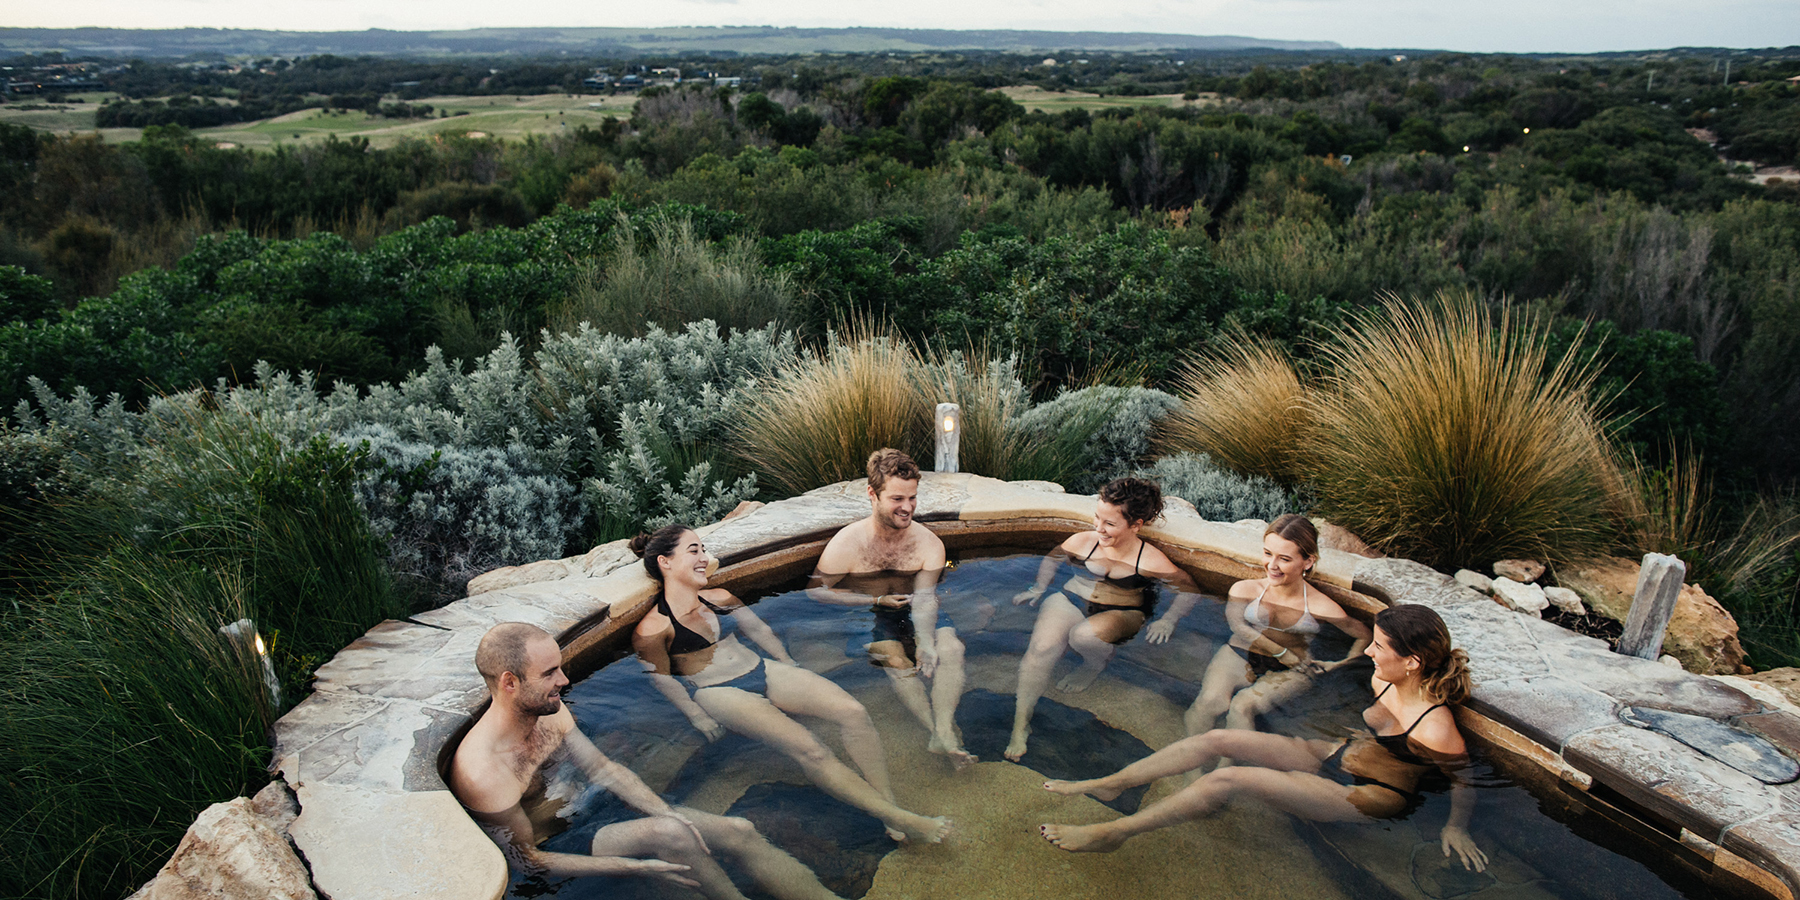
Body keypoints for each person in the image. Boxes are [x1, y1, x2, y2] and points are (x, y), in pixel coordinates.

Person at [1038, 604, 1487, 874]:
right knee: (1215, 740)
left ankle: (1115, 833)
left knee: (1226, 782)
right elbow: (1360, 706)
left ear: (1411, 662)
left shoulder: (1434, 726)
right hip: (1341, 754)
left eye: (1380, 646)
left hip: (1370, 794)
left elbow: (1462, 778)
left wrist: (1456, 825)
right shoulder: (1382, 681)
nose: (1369, 650)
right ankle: (1116, 781)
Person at [448, 622, 847, 900]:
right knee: (671, 836)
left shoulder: (549, 713)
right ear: (509, 682)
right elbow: (530, 861)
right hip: (558, 840)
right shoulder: (483, 771)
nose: (565, 681)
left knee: (737, 830)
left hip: (591, 809)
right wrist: (634, 867)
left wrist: (665, 811)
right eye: (550, 672)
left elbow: (605, 770)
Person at [631, 524, 952, 844]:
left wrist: (787, 662)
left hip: (761, 668)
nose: (704, 557)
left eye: (703, 549)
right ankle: (904, 820)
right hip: (716, 691)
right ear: (665, 562)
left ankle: (887, 805)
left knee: (853, 711)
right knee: (811, 749)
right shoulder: (653, 629)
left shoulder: (719, 597)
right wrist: (694, 714)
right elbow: (659, 676)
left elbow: (759, 631)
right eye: (694, 551)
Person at [1006, 477, 1204, 762]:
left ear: (1135, 524)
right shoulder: (1083, 541)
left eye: (1110, 524)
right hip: (1071, 600)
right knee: (1040, 650)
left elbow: (1189, 589)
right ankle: (1019, 725)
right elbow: (1052, 559)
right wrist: (1036, 588)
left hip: (1121, 612)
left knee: (1082, 636)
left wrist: (1169, 620)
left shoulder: (1150, 560)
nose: (1099, 528)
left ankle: (1094, 664)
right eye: (1097, 518)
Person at [810, 449, 974, 770]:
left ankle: (943, 731)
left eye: (912, 498)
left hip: (914, 605)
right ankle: (936, 731)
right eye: (898, 498)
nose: (908, 507)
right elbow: (816, 591)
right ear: (873, 494)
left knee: (952, 648)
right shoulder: (847, 544)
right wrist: (872, 601)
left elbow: (926, 598)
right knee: (896, 660)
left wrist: (926, 642)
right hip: (866, 611)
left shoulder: (928, 544)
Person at [1184, 514, 1371, 735]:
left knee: (1243, 707)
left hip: (1294, 666)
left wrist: (1337, 665)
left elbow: (1364, 635)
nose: (1272, 565)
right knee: (1210, 702)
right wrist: (1281, 652)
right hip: (1242, 651)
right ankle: (1192, 769)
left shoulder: (1320, 606)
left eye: (1284, 558)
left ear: (1308, 562)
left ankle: (1226, 767)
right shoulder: (1245, 590)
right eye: (1267, 553)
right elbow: (1239, 627)